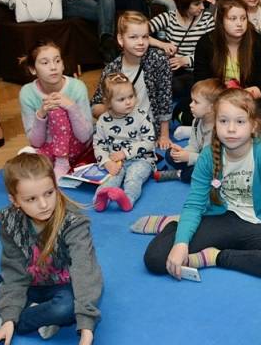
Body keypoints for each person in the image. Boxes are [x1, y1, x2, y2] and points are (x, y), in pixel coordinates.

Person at [139, 88, 261, 278]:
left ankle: (215, 257)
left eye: (240, 121)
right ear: (215, 124)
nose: (231, 129)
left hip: (259, 224)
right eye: (223, 121)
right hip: (221, 218)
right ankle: (176, 225)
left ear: (254, 125)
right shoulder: (208, 156)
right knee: (156, 259)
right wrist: (181, 243)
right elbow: (195, 204)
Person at [0, 153, 103, 345]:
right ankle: (25, 316)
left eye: (49, 193)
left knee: (66, 308)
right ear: (15, 200)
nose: (43, 204)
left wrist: (87, 330)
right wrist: (10, 315)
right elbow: (14, 273)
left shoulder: (73, 221)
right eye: (31, 199)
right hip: (29, 285)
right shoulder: (9, 220)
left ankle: (8, 319)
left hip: (63, 287)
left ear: (55, 187)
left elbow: (85, 271)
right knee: (5, 290)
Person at [193, 0, 261, 127]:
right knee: (186, 110)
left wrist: (237, 98)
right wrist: (222, 100)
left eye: (243, 18)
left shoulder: (259, 43)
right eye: (233, 19)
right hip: (216, 99)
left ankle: (215, 126)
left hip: (249, 99)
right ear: (221, 20)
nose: (239, 23)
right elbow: (201, 81)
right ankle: (243, 126)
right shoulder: (206, 43)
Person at [92, 11, 173, 150]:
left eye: (145, 37)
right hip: (118, 127)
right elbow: (95, 106)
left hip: (147, 128)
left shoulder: (158, 59)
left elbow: (164, 97)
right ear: (120, 39)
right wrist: (114, 108)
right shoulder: (112, 69)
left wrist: (164, 135)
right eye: (133, 37)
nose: (141, 42)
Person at [18, 41, 94, 180]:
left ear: (63, 65)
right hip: (47, 149)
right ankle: (41, 160)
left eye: (57, 61)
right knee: (24, 171)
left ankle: (62, 161)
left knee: (57, 111)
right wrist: (41, 114)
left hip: (77, 148)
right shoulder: (27, 92)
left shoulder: (77, 87)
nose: (53, 67)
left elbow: (85, 136)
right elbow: (36, 142)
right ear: (33, 69)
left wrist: (71, 107)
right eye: (45, 63)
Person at [148, 0, 215, 124]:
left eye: (202, 2)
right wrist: (162, 44)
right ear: (184, 4)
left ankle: (181, 113)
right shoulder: (169, 17)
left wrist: (186, 60)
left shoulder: (207, 19)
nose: (202, 7)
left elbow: (212, 52)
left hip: (198, 70)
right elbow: (139, 33)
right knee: (159, 80)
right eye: (197, 4)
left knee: (190, 87)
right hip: (174, 69)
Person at [93, 72, 156, 212]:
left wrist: (125, 153)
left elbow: (149, 141)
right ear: (108, 102)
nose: (128, 102)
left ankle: (127, 199)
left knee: (134, 176)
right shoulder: (103, 121)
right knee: (111, 178)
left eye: (131, 96)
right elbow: (99, 145)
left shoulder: (141, 116)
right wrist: (106, 162)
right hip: (116, 162)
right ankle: (100, 198)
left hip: (141, 159)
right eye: (121, 99)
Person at [158, 78, 224, 183]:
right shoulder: (197, 121)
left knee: (203, 171)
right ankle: (186, 172)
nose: (190, 105)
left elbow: (216, 162)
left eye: (196, 102)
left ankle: (179, 174)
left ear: (211, 108)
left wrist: (189, 157)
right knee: (170, 153)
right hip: (198, 158)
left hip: (214, 165)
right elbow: (194, 145)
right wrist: (183, 152)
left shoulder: (221, 130)